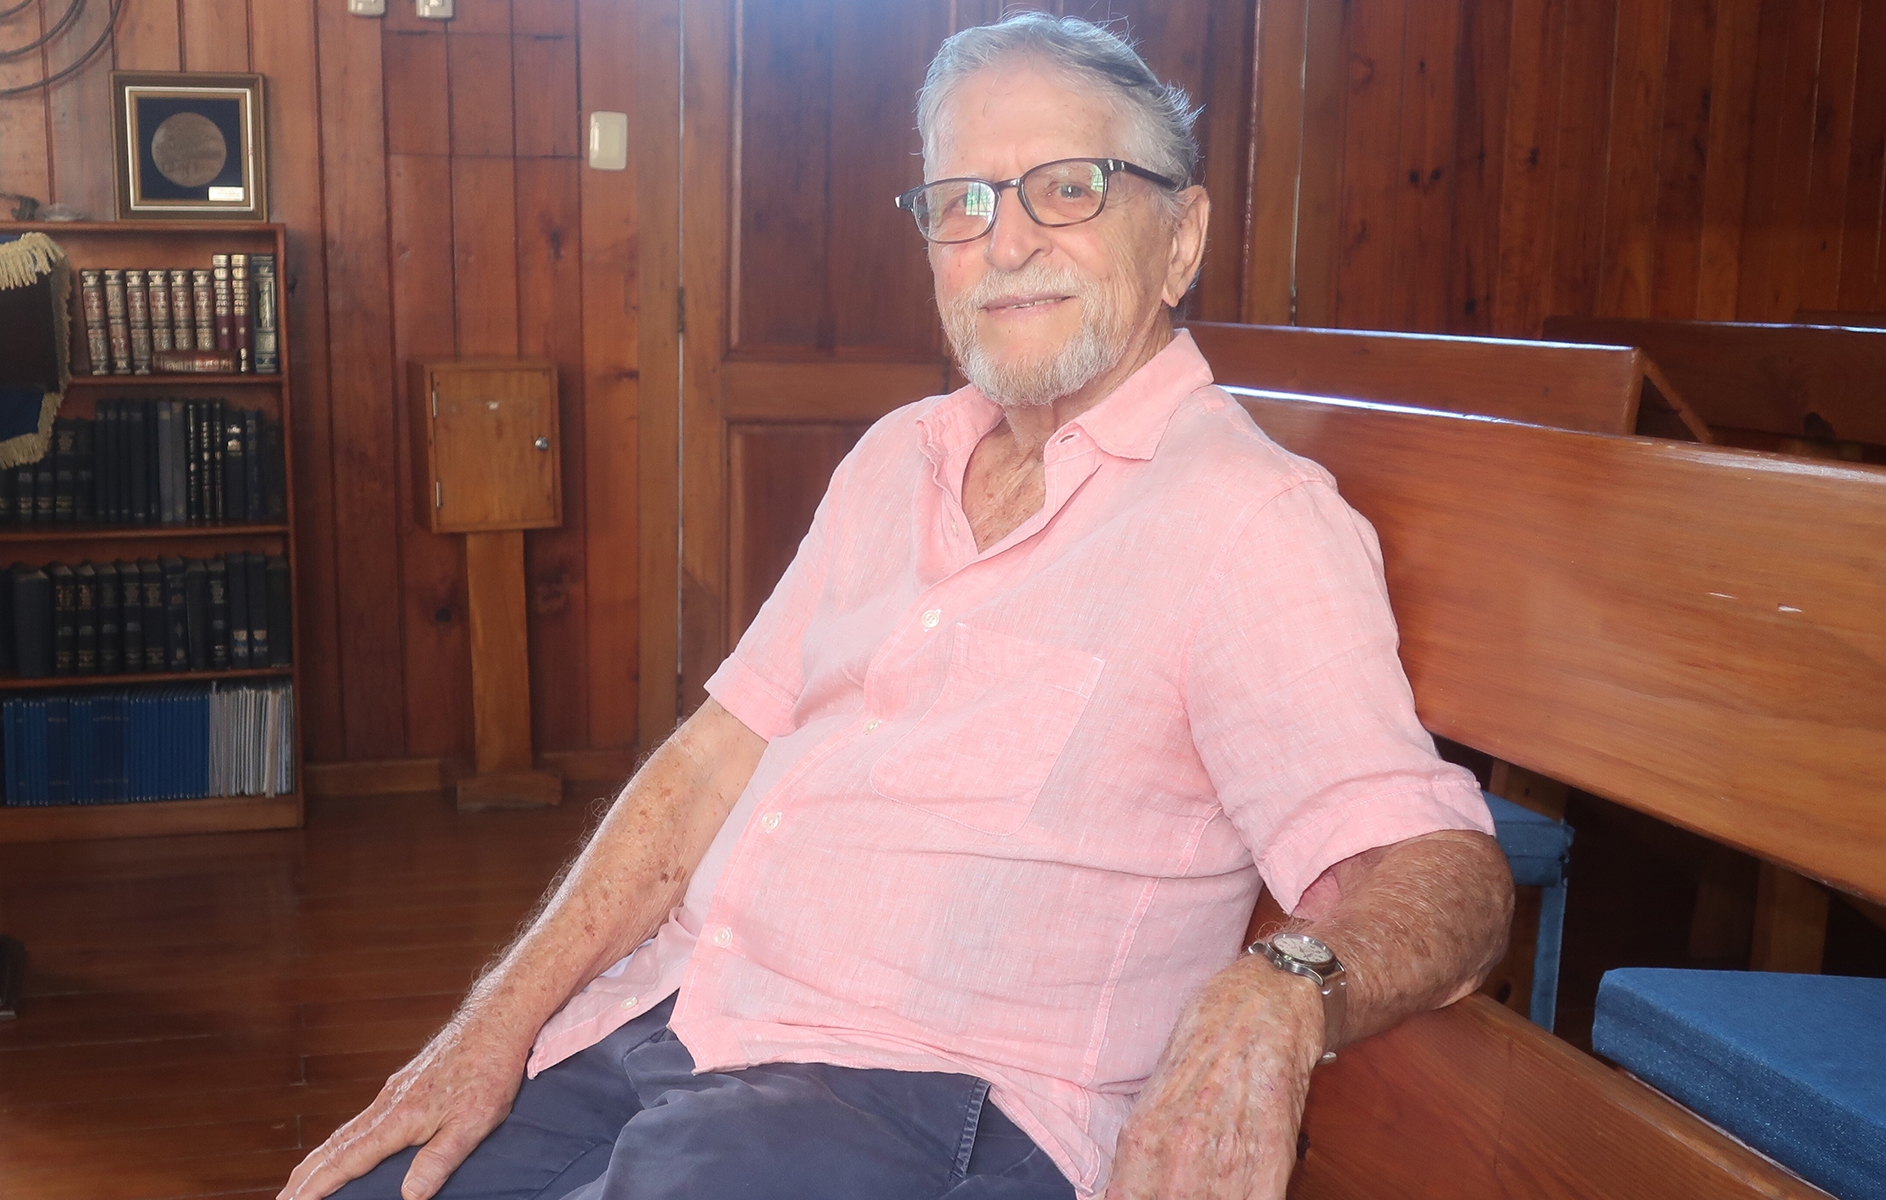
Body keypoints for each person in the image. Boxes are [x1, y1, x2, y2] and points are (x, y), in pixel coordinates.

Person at [281, 14, 1513, 1200]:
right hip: (668, 1025)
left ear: (1180, 239)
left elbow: (1440, 869)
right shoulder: (895, 458)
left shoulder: (1250, 522)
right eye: (962, 202)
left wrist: (1278, 989)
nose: (1007, 243)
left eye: (1068, 187)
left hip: (920, 1103)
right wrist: (495, 1022)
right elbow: (714, 759)